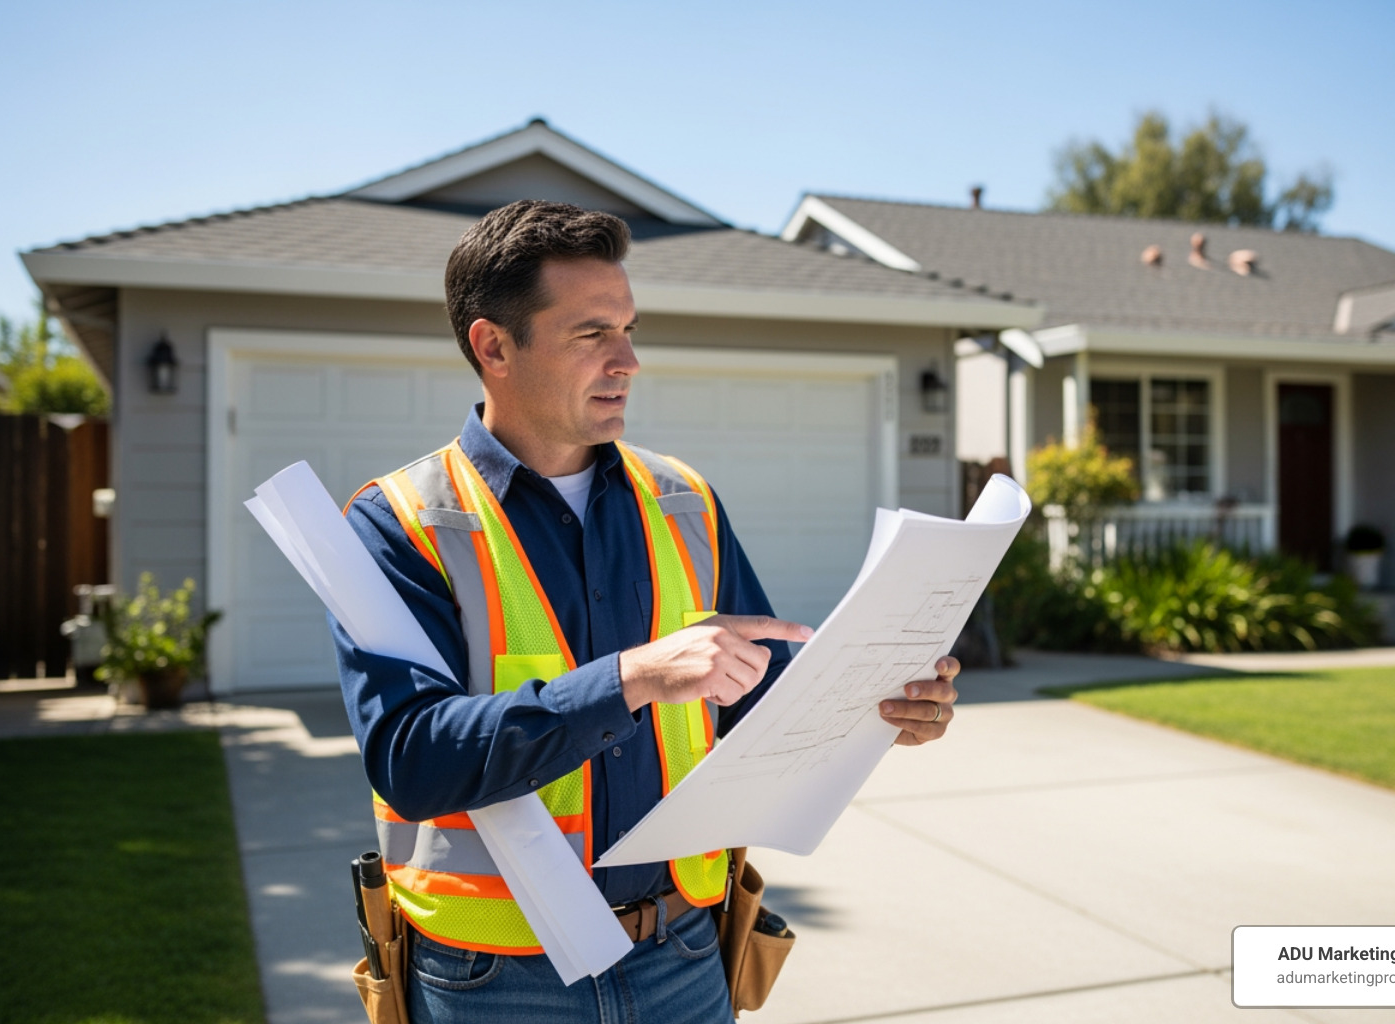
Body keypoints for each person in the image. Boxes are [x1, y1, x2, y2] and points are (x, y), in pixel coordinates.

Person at [331, 199, 960, 1023]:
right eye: (593, 333)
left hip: (683, 954)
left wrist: (883, 705)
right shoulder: (398, 521)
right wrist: (632, 677)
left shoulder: (684, 502)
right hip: (498, 984)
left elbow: (758, 697)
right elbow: (412, 759)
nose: (627, 360)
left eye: (628, 329)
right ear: (494, 347)